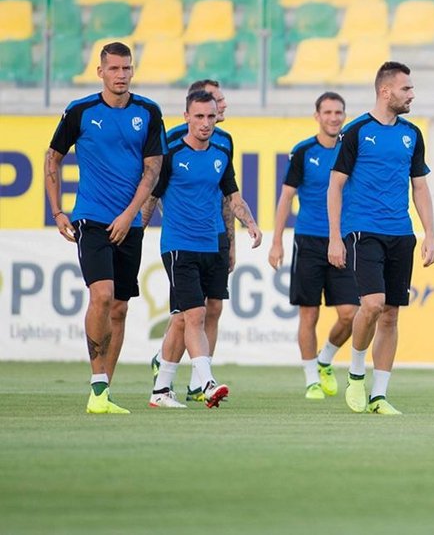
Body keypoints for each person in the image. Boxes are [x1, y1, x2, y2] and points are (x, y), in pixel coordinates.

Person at [45, 41, 165, 414]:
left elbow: (153, 170)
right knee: (101, 295)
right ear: (100, 72)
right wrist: (57, 211)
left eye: (126, 69)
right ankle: (96, 383)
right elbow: (52, 158)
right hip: (91, 218)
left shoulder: (148, 111)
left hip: (128, 223)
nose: (121, 75)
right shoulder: (80, 111)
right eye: (113, 69)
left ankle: (103, 393)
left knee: (119, 308)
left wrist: (130, 215)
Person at [327, 61, 434, 416]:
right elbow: (335, 185)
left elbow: (419, 187)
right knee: (372, 304)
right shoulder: (356, 131)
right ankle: (356, 374)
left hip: (401, 233)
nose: (412, 94)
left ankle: (379, 395)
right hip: (363, 230)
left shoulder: (412, 134)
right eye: (406, 89)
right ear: (385, 91)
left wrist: (429, 234)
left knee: (390, 315)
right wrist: (334, 237)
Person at [141, 90, 262, 408]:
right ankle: (205, 382)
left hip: (212, 242)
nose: (206, 123)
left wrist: (249, 223)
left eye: (211, 116)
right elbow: (152, 197)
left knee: (185, 318)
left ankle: (161, 390)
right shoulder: (171, 149)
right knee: (195, 314)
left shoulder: (223, 148)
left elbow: (232, 195)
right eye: (199, 116)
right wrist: (134, 232)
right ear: (186, 117)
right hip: (179, 244)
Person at [269, 92, 358, 400]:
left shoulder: (351, 149)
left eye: (339, 112)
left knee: (351, 314)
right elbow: (286, 198)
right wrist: (277, 241)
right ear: (317, 116)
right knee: (309, 315)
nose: (334, 117)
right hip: (308, 240)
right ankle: (311, 380)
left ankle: (325, 360)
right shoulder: (304, 151)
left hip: (343, 242)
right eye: (328, 112)